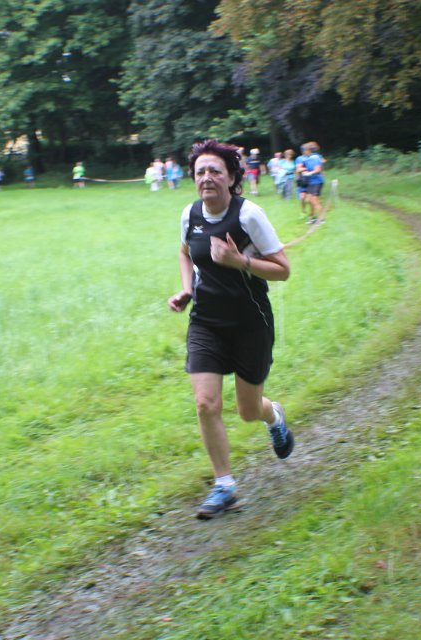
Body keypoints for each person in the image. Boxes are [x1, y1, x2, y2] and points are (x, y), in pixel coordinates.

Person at [167, 139, 294, 520]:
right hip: (206, 322)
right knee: (205, 403)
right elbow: (185, 252)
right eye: (200, 171)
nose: (206, 177)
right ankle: (224, 486)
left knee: (248, 410)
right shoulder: (190, 214)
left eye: (215, 171)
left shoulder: (248, 215)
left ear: (232, 177)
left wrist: (240, 261)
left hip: (250, 324)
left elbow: (283, 270)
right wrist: (187, 289)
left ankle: (274, 416)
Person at [297, 142, 325, 223]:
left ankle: (321, 219)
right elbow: (300, 168)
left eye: (304, 151)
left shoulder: (315, 157)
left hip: (317, 181)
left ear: (308, 150)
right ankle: (312, 218)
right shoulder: (308, 158)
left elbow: (318, 169)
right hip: (311, 182)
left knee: (315, 200)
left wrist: (309, 173)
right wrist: (304, 171)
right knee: (309, 200)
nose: (303, 152)